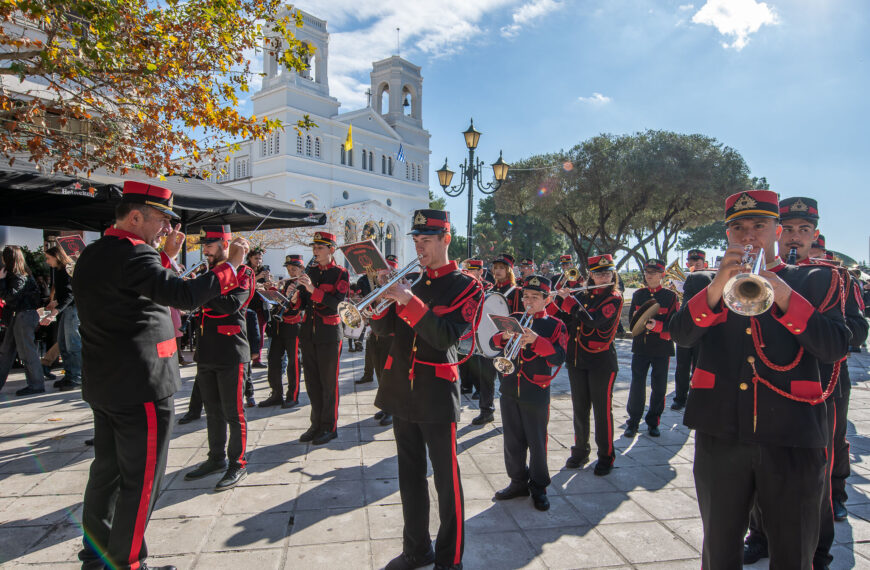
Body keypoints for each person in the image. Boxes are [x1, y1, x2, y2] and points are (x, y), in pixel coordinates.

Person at [73, 180, 249, 570]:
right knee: (141, 482)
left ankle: (96, 552)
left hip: (106, 384)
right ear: (136, 217)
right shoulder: (135, 256)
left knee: (106, 472)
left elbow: (139, 289)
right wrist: (231, 266)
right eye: (162, 221)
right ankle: (128, 562)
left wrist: (166, 257)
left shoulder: (98, 253)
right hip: (142, 386)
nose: (168, 230)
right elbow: (183, 296)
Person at [669, 189, 850, 569]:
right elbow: (683, 336)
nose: (748, 235)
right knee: (719, 550)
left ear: (776, 230)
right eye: (738, 227)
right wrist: (719, 285)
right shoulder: (704, 281)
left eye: (759, 225)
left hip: (793, 433)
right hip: (721, 432)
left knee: (793, 552)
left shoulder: (818, 279)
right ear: (727, 235)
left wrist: (783, 293)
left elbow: (835, 347)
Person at [743, 197, 869, 568]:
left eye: (805, 230)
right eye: (790, 230)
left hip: (824, 382)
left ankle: (818, 547)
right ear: (779, 233)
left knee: (819, 467)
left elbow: (856, 329)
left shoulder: (837, 278)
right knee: (759, 457)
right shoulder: (759, 271)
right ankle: (760, 533)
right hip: (771, 377)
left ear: (815, 235)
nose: (796, 238)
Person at [370, 209, 483, 570]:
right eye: (416, 241)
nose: (420, 248)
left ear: (445, 240)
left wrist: (407, 300)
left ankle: (450, 560)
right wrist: (380, 298)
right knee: (410, 475)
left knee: (447, 483)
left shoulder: (468, 287)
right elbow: (384, 332)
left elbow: (447, 337)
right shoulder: (414, 281)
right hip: (401, 387)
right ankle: (417, 549)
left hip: (435, 390)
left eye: (427, 241)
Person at [184, 225, 256, 492]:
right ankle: (215, 458)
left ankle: (237, 463)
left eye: (211, 244)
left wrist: (201, 293)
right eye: (205, 245)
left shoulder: (244, 273)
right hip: (207, 350)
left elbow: (230, 305)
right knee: (212, 411)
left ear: (226, 246)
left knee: (234, 413)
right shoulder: (208, 274)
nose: (205, 250)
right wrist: (203, 292)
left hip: (231, 351)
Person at [490, 275, 566, 511]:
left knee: (537, 441)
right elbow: (493, 345)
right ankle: (517, 481)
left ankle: (539, 486)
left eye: (535, 297)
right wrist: (502, 336)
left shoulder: (555, 325)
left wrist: (535, 340)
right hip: (510, 387)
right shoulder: (513, 319)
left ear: (546, 299)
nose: (529, 301)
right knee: (512, 440)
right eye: (526, 297)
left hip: (536, 390)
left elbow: (558, 357)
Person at [554, 254, 623, 474]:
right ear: (591, 275)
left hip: (601, 362)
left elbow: (593, 319)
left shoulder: (614, 297)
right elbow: (567, 321)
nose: (603, 276)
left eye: (607, 272)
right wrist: (558, 300)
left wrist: (570, 303)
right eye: (598, 273)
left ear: (613, 274)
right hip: (576, 359)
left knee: (602, 412)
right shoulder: (583, 295)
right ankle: (580, 451)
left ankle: (606, 455)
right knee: (579, 409)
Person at [291, 231, 349, 445]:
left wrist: (312, 289)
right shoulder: (310, 271)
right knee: (312, 383)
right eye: (314, 247)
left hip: (329, 334)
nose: (315, 251)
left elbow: (337, 304)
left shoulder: (341, 274)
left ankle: (329, 426)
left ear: (331, 250)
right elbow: (303, 304)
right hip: (308, 332)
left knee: (328, 383)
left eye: (320, 247)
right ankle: (315, 424)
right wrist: (295, 296)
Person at [625, 259, 678, 437]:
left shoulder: (671, 297)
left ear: (662, 275)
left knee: (659, 387)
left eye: (654, 272)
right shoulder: (638, 294)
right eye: (647, 272)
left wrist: (656, 326)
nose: (649, 275)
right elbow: (631, 322)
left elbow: (674, 324)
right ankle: (633, 422)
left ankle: (653, 421)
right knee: (637, 385)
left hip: (661, 347)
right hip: (641, 346)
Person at [468, 253, 520, 423]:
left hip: (506, 343)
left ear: (508, 270)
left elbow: (518, 317)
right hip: (488, 340)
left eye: (501, 268)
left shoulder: (517, 291)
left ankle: (512, 414)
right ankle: (486, 411)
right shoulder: (490, 290)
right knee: (486, 378)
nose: (497, 271)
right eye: (495, 268)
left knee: (507, 381)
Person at [260, 254, 305, 408]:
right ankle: (276, 394)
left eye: (294, 269)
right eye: (289, 269)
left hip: (293, 326)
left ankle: (293, 395)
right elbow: (280, 302)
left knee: (293, 363)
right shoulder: (287, 283)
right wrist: (271, 291)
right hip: (278, 327)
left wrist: (291, 296)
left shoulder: (303, 284)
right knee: (273, 361)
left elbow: (298, 306)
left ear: (301, 268)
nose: (291, 271)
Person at [0, 245, 45, 395]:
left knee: (26, 351)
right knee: (7, 351)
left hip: (23, 315)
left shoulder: (19, 276)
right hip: (20, 315)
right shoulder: (20, 274)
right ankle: (35, 384)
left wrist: (1, 280)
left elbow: (10, 296)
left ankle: (36, 385)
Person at [671, 249, 709, 411]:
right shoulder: (683, 280)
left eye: (697, 263)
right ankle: (680, 398)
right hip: (685, 327)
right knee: (682, 366)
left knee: (699, 366)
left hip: (702, 328)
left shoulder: (711, 279)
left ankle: (695, 397)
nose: (693, 266)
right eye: (691, 263)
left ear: (704, 264)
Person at [42, 245, 82, 391]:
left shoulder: (67, 269)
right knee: (64, 344)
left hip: (72, 310)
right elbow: (66, 294)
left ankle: (77, 377)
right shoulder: (59, 270)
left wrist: (55, 311)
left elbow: (71, 295)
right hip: (67, 310)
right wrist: (56, 302)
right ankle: (71, 375)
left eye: (48, 258)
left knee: (72, 344)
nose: (47, 261)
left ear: (57, 257)